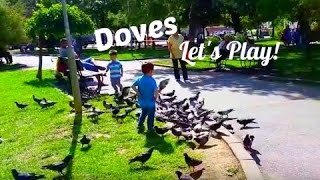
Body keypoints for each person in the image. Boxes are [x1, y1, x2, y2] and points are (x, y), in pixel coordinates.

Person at [131, 63, 159, 133]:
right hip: (150, 102)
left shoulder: (140, 79)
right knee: (151, 115)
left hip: (142, 101)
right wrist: (156, 97)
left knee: (143, 112)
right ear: (150, 71)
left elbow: (132, 86)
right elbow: (156, 90)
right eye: (153, 70)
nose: (153, 72)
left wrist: (138, 93)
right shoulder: (152, 80)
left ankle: (140, 124)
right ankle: (150, 127)